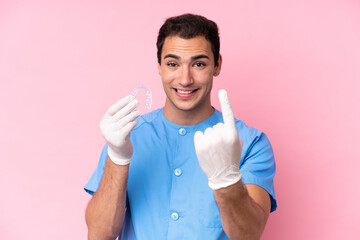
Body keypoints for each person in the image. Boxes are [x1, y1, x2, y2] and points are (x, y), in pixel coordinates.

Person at [84, 13, 277, 240]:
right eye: (173, 64)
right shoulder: (126, 137)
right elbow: (99, 235)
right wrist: (117, 157)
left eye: (199, 64)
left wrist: (227, 180)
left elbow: (250, 234)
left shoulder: (250, 142)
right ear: (159, 66)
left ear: (217, 65)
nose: (185, 79)